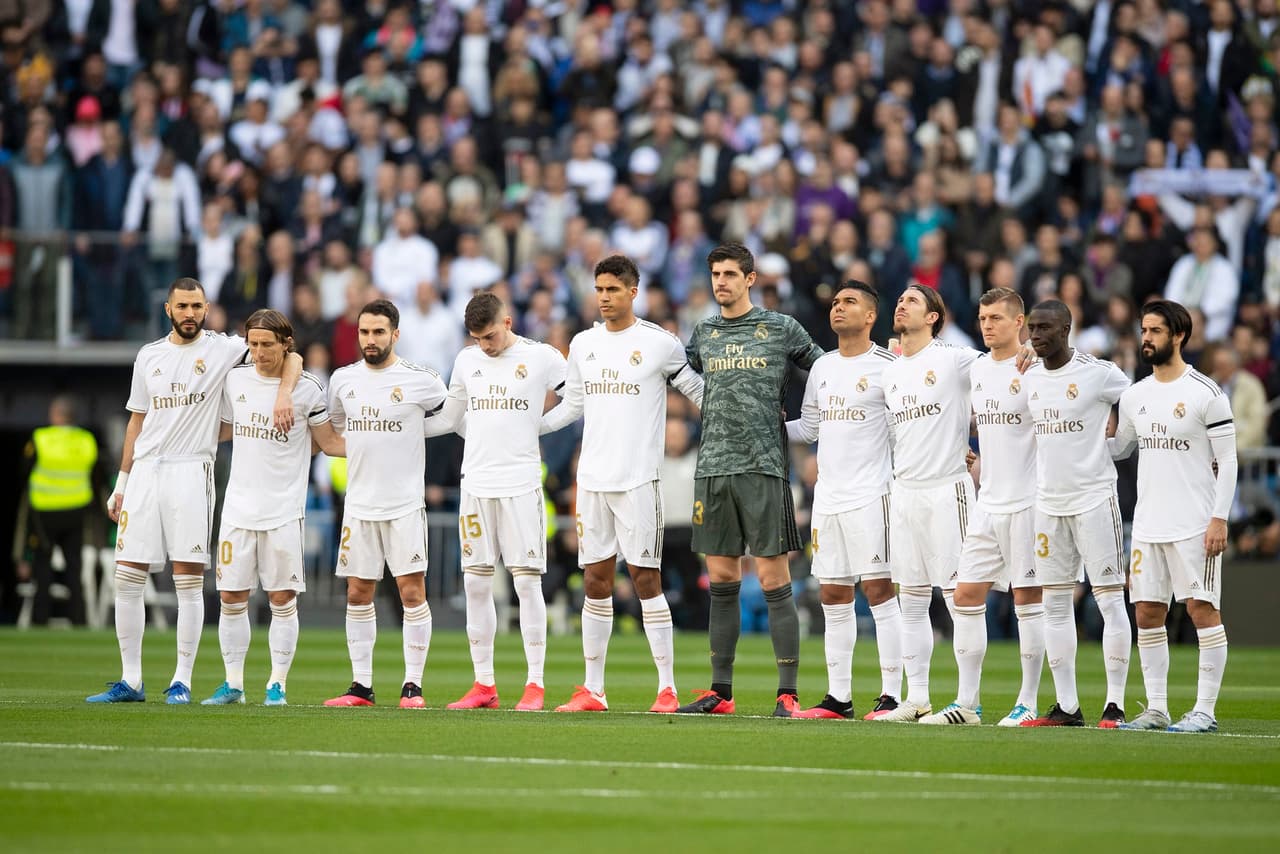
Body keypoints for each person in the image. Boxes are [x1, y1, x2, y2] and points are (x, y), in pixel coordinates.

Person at [88, 278, 303, 705]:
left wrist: (282, 393)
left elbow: (290, 353)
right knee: (127, 576)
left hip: (192, 470)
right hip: (146, 470)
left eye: (197, 306)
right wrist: (122, 483)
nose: (190, 313)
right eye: (182, 305)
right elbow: (136, 421)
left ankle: (182, 679)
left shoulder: (223, 349)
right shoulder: (149, 355)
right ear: (168, 308)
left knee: (186, 579)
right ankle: (131, 680)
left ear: (206, 309)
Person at [539, 255, 704, 713]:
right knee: (595, 579)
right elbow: (572, 405)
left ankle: (667, 688)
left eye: (613, 289)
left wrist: (736, 411)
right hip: (592, 480)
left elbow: (694, 389)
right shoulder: (583, 343)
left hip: (637, 481)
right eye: (600, 289)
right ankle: (593, 689)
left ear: (634, 291)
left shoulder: (659, 343)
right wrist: (529, 427)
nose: (605, 297)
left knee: (645, 578)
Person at [676, 242, 824, 717]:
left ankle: (788, 693)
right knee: (720, 578)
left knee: (772, 577)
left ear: (750, 279)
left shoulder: (779, 328)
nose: (721, 281)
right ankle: (721, 691)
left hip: (764, 466)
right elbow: (690, 377)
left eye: (730, 274)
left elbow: (825, 368)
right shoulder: (704, 332)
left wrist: (806, 421)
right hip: (714, 467)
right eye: (715, 273)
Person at [427, 292, 567, 713]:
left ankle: (535, 684)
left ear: (507, 321)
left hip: (521, 485)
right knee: (475, 582)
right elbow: (452, 419)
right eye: (476, 338)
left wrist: (539, 426)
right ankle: (483, 684)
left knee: (526, 582)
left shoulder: (541, 357)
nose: (483, 346)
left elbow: (577, 398)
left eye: (488, 336)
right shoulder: (467, 360)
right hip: (476, 485)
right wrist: (403, 430)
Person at [201, 310, 346, 707]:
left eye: (268, 344)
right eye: (254, 344)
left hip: (284, 510)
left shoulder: (308, 389)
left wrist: (386, 444)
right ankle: (233, 683)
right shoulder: (235, 379)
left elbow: (330, 442)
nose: (259, 352)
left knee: (282, 599)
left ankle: (276, 684)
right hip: (237, 510)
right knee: (231, 597)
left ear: (286, 344)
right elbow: (225, 428)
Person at [919, 288, 1046, 726]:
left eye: (995, 318)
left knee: (1029, 599)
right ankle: (967, 703)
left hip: (1028, 502)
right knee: (965, 594)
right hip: (987, 502)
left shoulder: (1036, 367)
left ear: (1019, 322)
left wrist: (1036, 350)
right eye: (982, 317)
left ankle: (1027, 702)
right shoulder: (975, 368)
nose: (987, 325)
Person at [1110, 301, 1237, 733]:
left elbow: (1229, 460)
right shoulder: (1135, 395)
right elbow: (1120, 448)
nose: (1146, 338)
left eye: (1155, 331)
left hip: (1194, 523)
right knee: (1147, 612)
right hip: (1147, 525)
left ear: (1178, 336)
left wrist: (1219, 518)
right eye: (1144, 330)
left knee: (1202, 609)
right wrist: (1069, 440)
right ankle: (1158, 708)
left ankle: (1204, 710)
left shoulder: (1206, 392)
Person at [783, 282, 902, 720]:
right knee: (833, 593)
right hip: (828, 497)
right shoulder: (823, 367)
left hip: (874, 493)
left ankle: (892, 695)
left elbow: (905, 428)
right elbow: (811, 427)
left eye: (849, 302)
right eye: (834, 302)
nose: (838, 307)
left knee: (878, 589)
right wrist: (771, 427)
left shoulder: (890, 365)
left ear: (871, 315)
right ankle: (839, 697)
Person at [323, 298, 449, 709]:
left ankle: (413, 686)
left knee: (412, 591)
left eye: (379, 332)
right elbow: (339, 430)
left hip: (404, 504)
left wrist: (412, 434)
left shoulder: (422, 379)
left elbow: (449, 418)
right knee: (358, 592)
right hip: (359, 505)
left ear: (395, 334)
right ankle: (361, 687)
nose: (370, 339)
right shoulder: (343, 380)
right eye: (364, 332)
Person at [1020, 300, 1133, 728]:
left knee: (1108, 598)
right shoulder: (1029, 376)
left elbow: (1140, 400)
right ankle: (1067, 705)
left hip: (1093, 498)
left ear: (1067, 327)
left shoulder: (1098, 372)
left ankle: (1116, 704)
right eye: (1032, 328)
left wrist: (1119, 439)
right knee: (1054, 603)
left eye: (1045, 327)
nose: (1036, 335)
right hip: (1048, 502)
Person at [874, 283, 980, 722]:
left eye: (913, 300)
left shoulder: (955, 359)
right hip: (906, 491)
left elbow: (1001, 379)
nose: (901, 303)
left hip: (947, 489)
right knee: (912, 600)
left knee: (959, 598)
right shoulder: (891, 370)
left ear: (933, 316)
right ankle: (916, 698)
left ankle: (968, 704)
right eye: (900, 299)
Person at [15, 396, 104, 627]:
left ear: (55, 415)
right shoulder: (87, 440)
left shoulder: (40, 438)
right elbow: (97, 479)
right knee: (75, 568)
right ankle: (79, 620)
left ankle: (40, 620)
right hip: (76, 511)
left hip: (44, 512)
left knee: (42, 567)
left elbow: (23, 473)